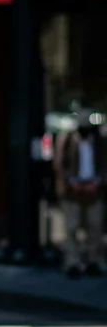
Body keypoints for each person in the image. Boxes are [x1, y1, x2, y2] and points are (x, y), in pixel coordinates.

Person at [53, 110, 107, 277]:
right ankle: (73, 262)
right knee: (71, 228)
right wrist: (72, 182)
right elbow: (60, 164)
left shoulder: (99, 141)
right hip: (72, 190)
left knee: (95, 227)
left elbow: (104, 164)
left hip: (94, 188)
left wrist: (96, 183)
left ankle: (95, 261)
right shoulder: (68, 140)